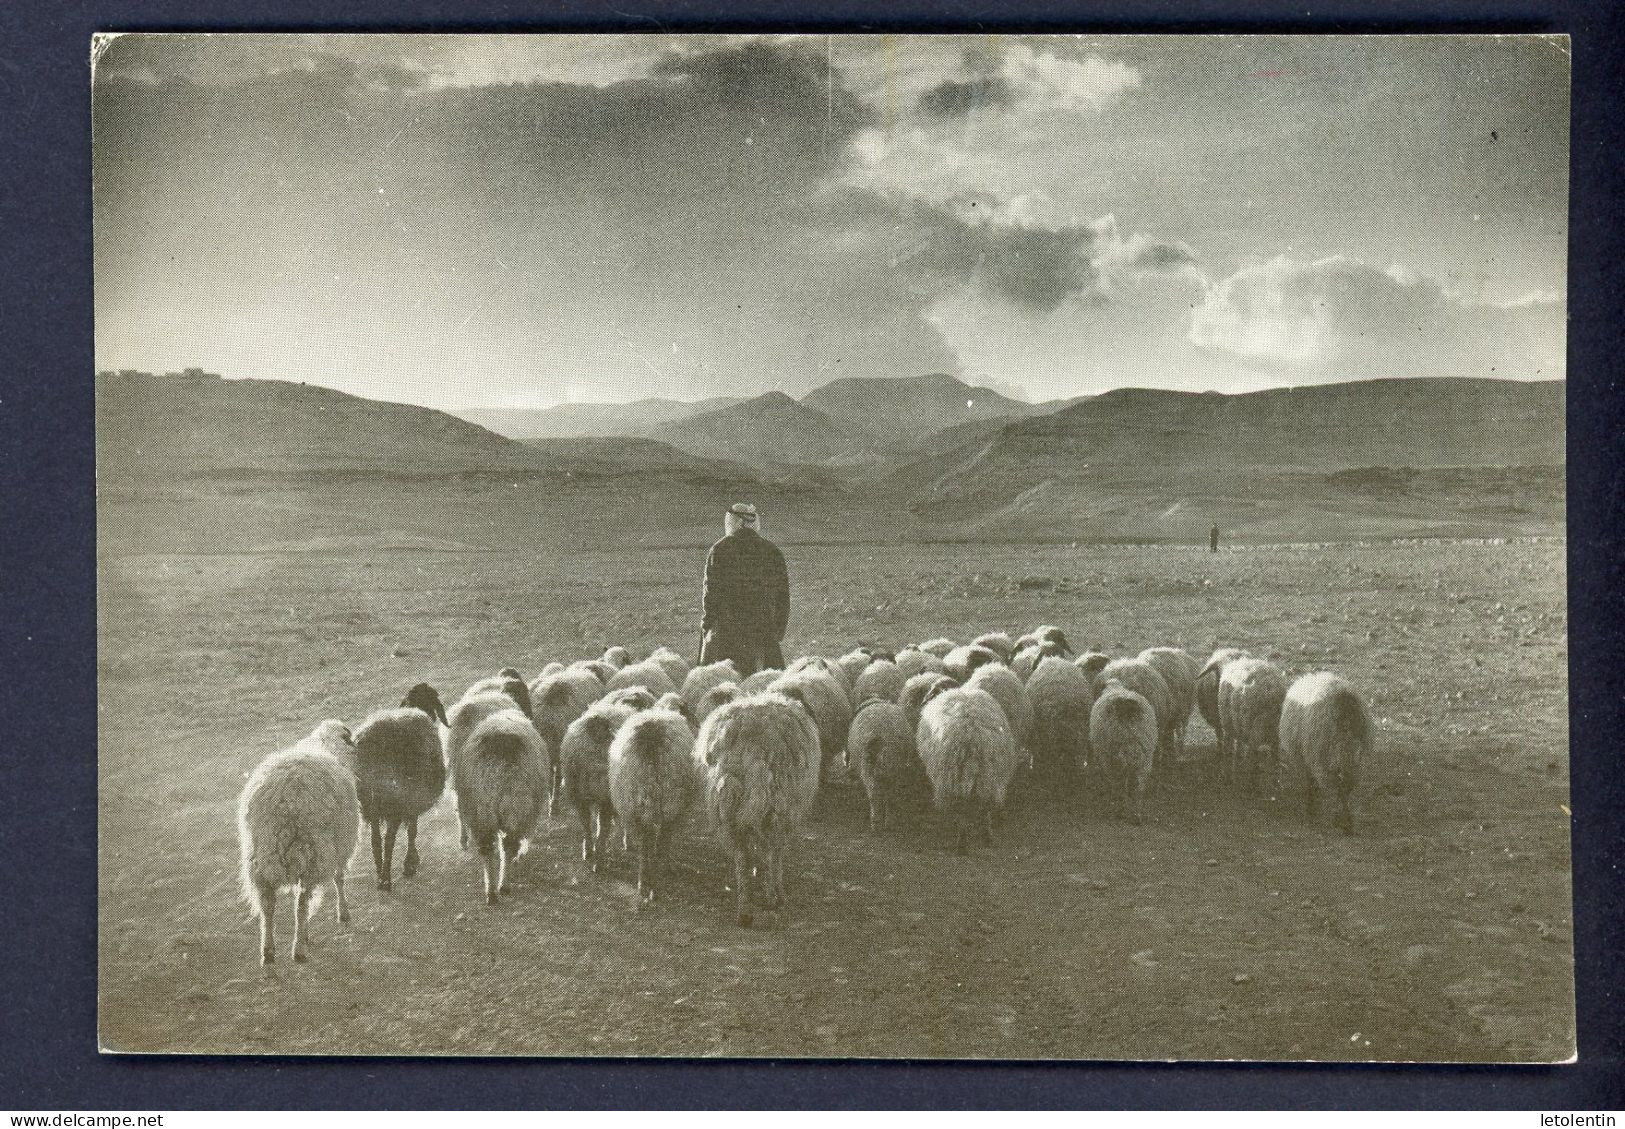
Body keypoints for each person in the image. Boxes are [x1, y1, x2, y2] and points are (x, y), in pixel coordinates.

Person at [699, 502, 789, 677]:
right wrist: (777, 632)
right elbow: (783, 598)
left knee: (709, 685)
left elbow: (711, 594)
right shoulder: (773, 551)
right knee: (774, 687)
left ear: (734, 522)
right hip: (763, 632)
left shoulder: (719, 550)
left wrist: (707, 627)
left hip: (726, 633)